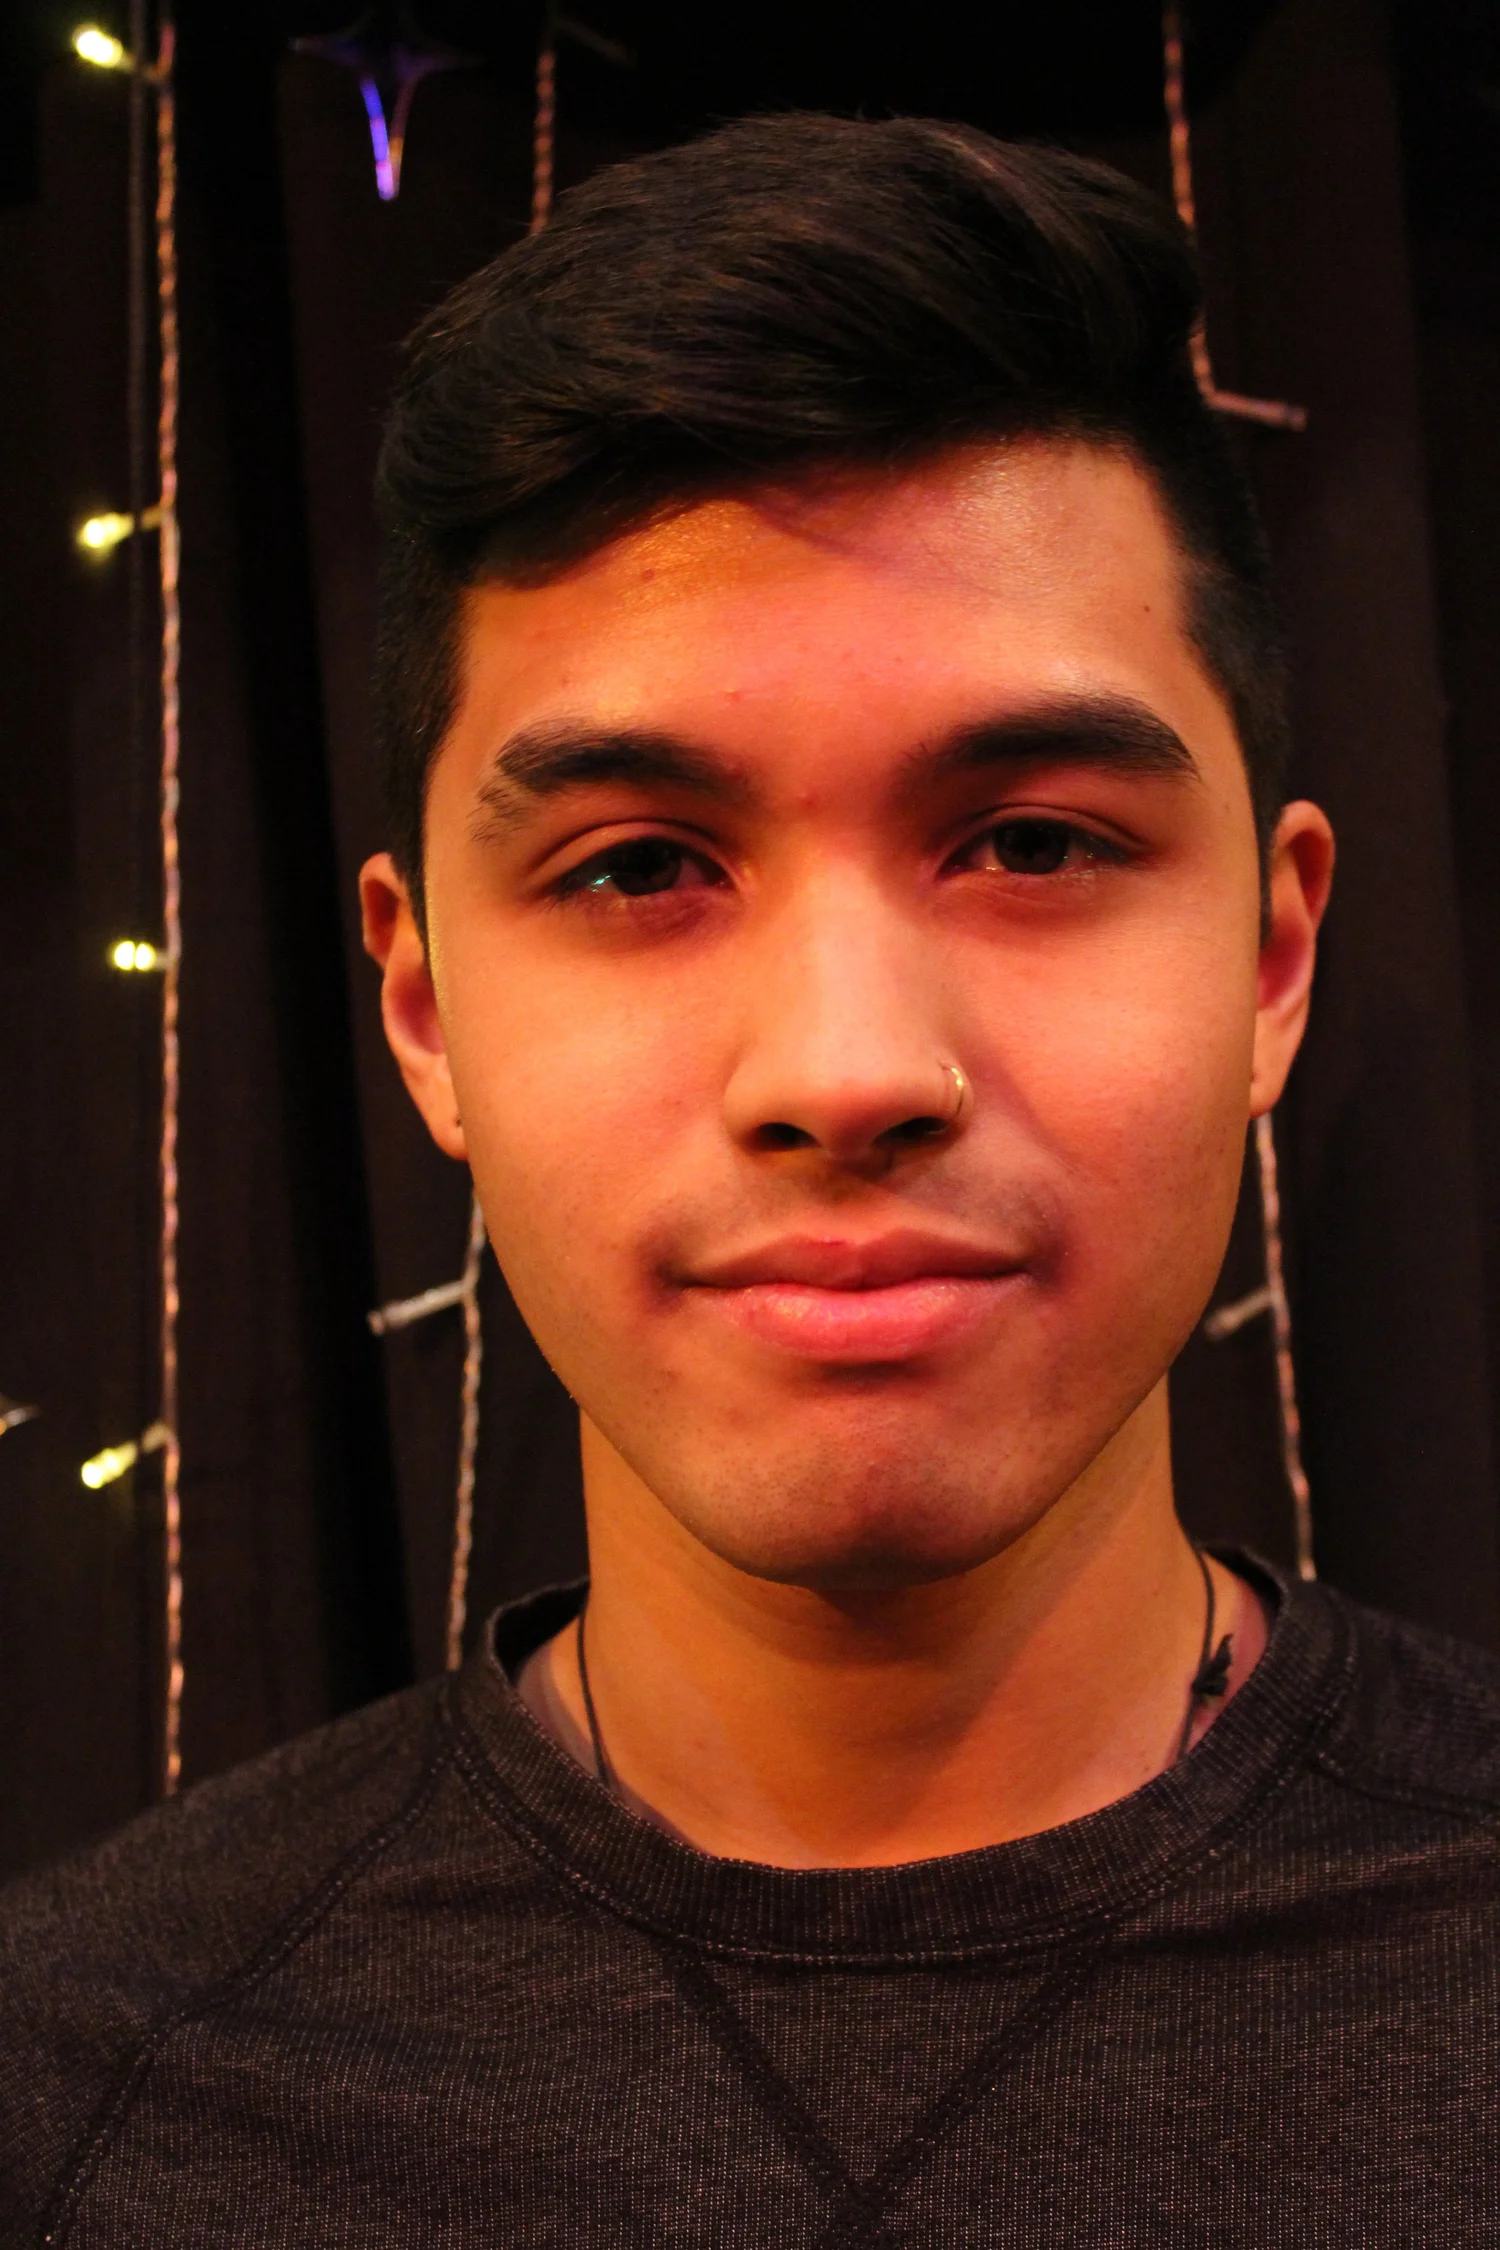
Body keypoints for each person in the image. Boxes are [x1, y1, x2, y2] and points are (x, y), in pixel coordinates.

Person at [2, 109, 1497, 2247]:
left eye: (1034, 842)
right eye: (639, 870)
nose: (848, 1070)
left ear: (1271, 961)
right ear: (422, 1007)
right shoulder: (77, 2096)